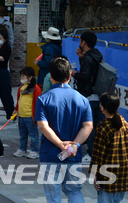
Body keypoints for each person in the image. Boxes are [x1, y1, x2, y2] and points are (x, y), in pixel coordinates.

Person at [35, 55, 93, 203]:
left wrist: (61, 145)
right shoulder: (82, 100)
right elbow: (88, 126)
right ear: (69, 76)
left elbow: (42, 125)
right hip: (73, 155)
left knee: (53, 195)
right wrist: (74, 145)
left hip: (50, 154)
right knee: (74, 191)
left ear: (51, 76)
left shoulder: (43, 99)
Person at [92, 93, 128, 203]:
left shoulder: (103, 126)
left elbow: (98, 155)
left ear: (103, 107)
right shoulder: (126, 124)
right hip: (124, 174)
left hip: (107, 175)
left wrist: (94, 174)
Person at [73, 31, 103, 163]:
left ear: (83, 43)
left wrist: (74, 74)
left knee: (89, 127)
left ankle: (90, 154)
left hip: (88, 96)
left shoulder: (87, 58)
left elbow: (85, 76)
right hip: (97, 95)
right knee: (96, 125)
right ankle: (95, 151)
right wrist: (81, 57)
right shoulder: (97, 55)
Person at [12, 67, 42, 159]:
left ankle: (34, 150)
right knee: (22, 135)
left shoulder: (36, 88)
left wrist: (37, 115)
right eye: (21, 76)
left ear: (30, 77)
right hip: (21, 116)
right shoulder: (21, 88)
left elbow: (38, 102)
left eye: (24, 76)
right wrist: (16, 110)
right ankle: (22, 149)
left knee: (33, 135)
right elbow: (19, 100)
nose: (22, 78)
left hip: (30, 116)